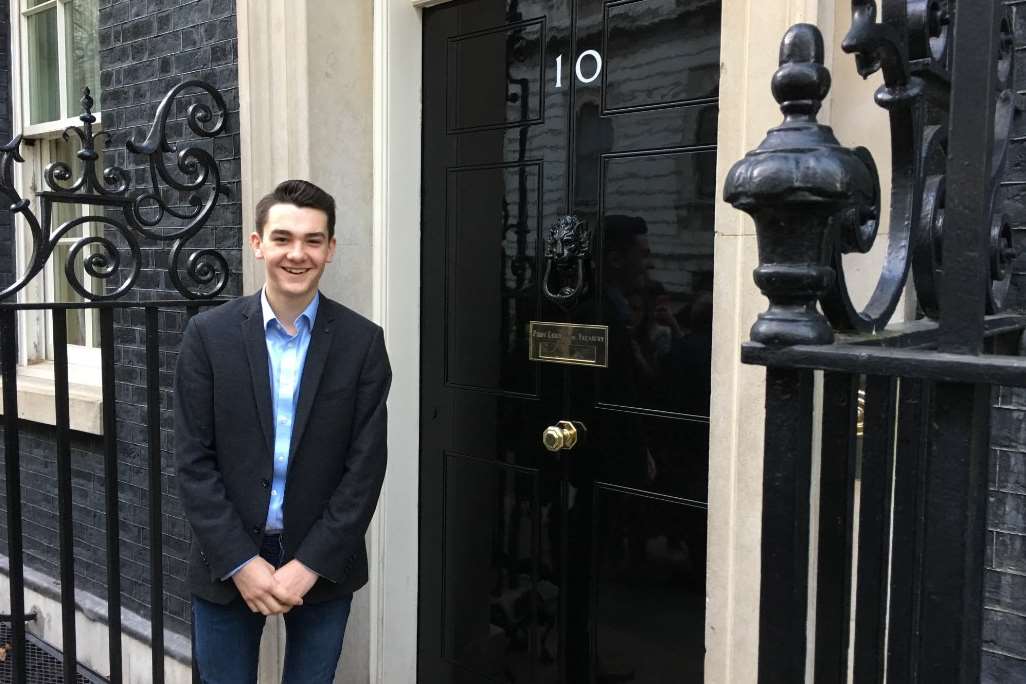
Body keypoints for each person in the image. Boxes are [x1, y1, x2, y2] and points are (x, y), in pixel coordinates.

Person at [174, 179, 391, 682]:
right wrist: (240, 562)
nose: (298, 254)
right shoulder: (208, 337)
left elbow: (365, 467)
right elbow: (192, 460)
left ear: (331, 249)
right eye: (283, 238)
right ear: (258, 244)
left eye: (313, 240)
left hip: (321, 558)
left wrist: (309, 563)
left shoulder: (362, 343)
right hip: (226, 560)